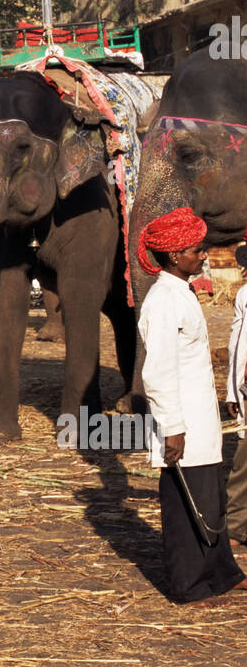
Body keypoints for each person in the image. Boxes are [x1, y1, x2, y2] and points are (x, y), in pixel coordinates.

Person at [137, 207, 247, 605]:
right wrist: (172, 426)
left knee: (209, 497)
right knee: (187, 506)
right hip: (182, 421)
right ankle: (190, 584)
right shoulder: (162, 301)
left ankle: (222, 573)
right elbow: (158, 371)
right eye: (196, 251)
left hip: (201, 418)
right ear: (173, 257)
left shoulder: (180, 294)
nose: (203, 256)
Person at [225, 240, 247, 555]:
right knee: (244, 458)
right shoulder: (244, 295)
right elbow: (237, 345)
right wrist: (232, 389)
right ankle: (236, 524)